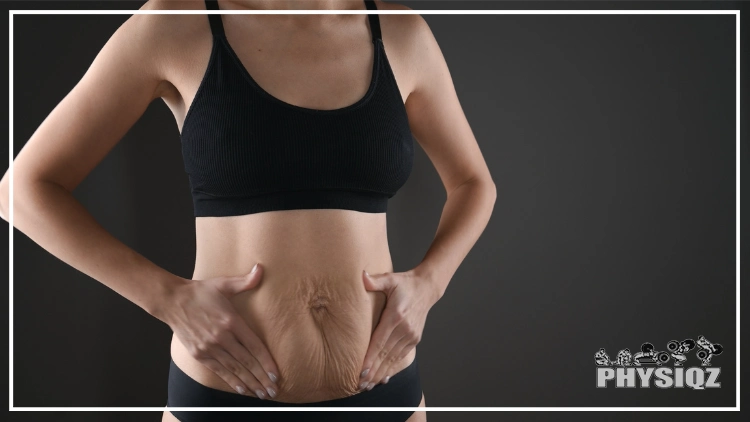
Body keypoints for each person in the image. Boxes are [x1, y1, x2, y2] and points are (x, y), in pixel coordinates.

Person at [0, 0, 496, 421]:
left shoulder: (402, 32)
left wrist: (430, 284)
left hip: (386, 394)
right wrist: (166, 299)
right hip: (223, 395)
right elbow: (22, 190)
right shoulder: (174, 23)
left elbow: (475, 183)